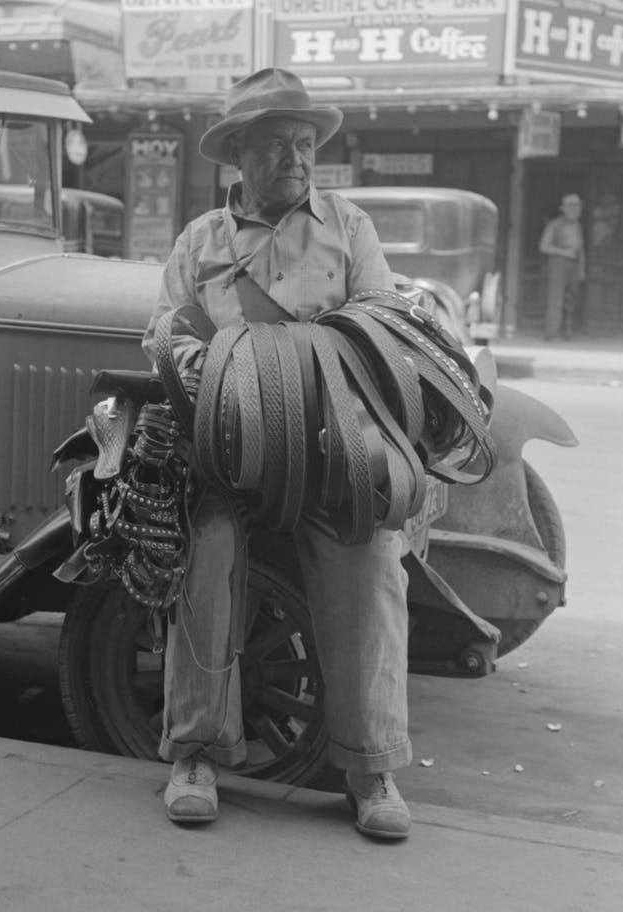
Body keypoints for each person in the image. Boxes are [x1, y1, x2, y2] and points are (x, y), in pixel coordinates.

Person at [142, 68, 413, 840]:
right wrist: (218, 377)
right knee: (203, 553)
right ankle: (195, 753)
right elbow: (164, 332)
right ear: (240, 157)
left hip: (333, 449)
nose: (295, 159)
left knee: (370, 562)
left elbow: (383, 323)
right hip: (228, 447)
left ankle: (370, 767)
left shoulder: (348, 226)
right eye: (275, 146)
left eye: (303, 144)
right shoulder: (201, 239)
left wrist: (291, 366)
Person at [539, 193, 585, 340]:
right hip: (558, 264)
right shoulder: (554, 225)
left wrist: (582, 268)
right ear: (563, 208)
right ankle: (551, 334)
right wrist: (564, 252)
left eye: (578, 206)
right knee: (555, 300)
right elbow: (543, 247)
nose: (576, 209)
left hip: (574, 265)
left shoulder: (578, 226)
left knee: (571, 300)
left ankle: (567, 333)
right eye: (571, 206)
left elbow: (581, 249)